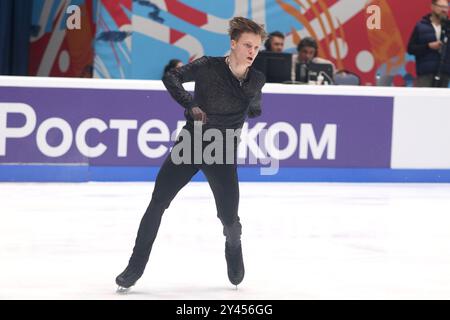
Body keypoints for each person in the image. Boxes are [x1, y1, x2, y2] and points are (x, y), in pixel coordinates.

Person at [115, 17, 267, 292]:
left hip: (222, 153)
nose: (252, 52)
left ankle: (234, 245)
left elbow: (254, 104)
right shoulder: (207, 66)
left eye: (256, 47)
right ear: (233, 44)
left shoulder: (257, 79)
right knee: (158, 202)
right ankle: (134, 267)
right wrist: (191, 104)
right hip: (191, 146)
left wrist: (252, 106)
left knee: (229, 220)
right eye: (247, 45)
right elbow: (171, 77)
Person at [407, 0, 450, 87]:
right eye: (441, 7)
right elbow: (411, 49)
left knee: (441, 100)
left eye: (446, 7)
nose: (444, 10)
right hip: (425, 73)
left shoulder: (448, 27)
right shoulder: (421, 26)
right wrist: (428, 46)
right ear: (432, 6)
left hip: (445, 73)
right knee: (422, 99)